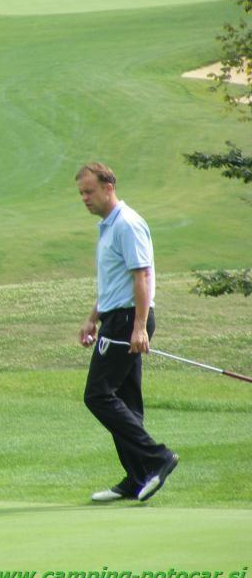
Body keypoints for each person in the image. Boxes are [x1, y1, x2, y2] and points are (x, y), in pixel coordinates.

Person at [76, 163, 179, 503]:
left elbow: (142, 277)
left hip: (127, 321)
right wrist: (93, 318)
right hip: (116, 318)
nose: (85, 199)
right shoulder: (108, 227)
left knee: (98, 395)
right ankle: (137, 477)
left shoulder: (128, 224)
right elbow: (114, 281)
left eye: (89, 191)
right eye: (81, 194)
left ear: (109, 187)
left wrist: (138, 327)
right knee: (127, 400)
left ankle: (157, 458)